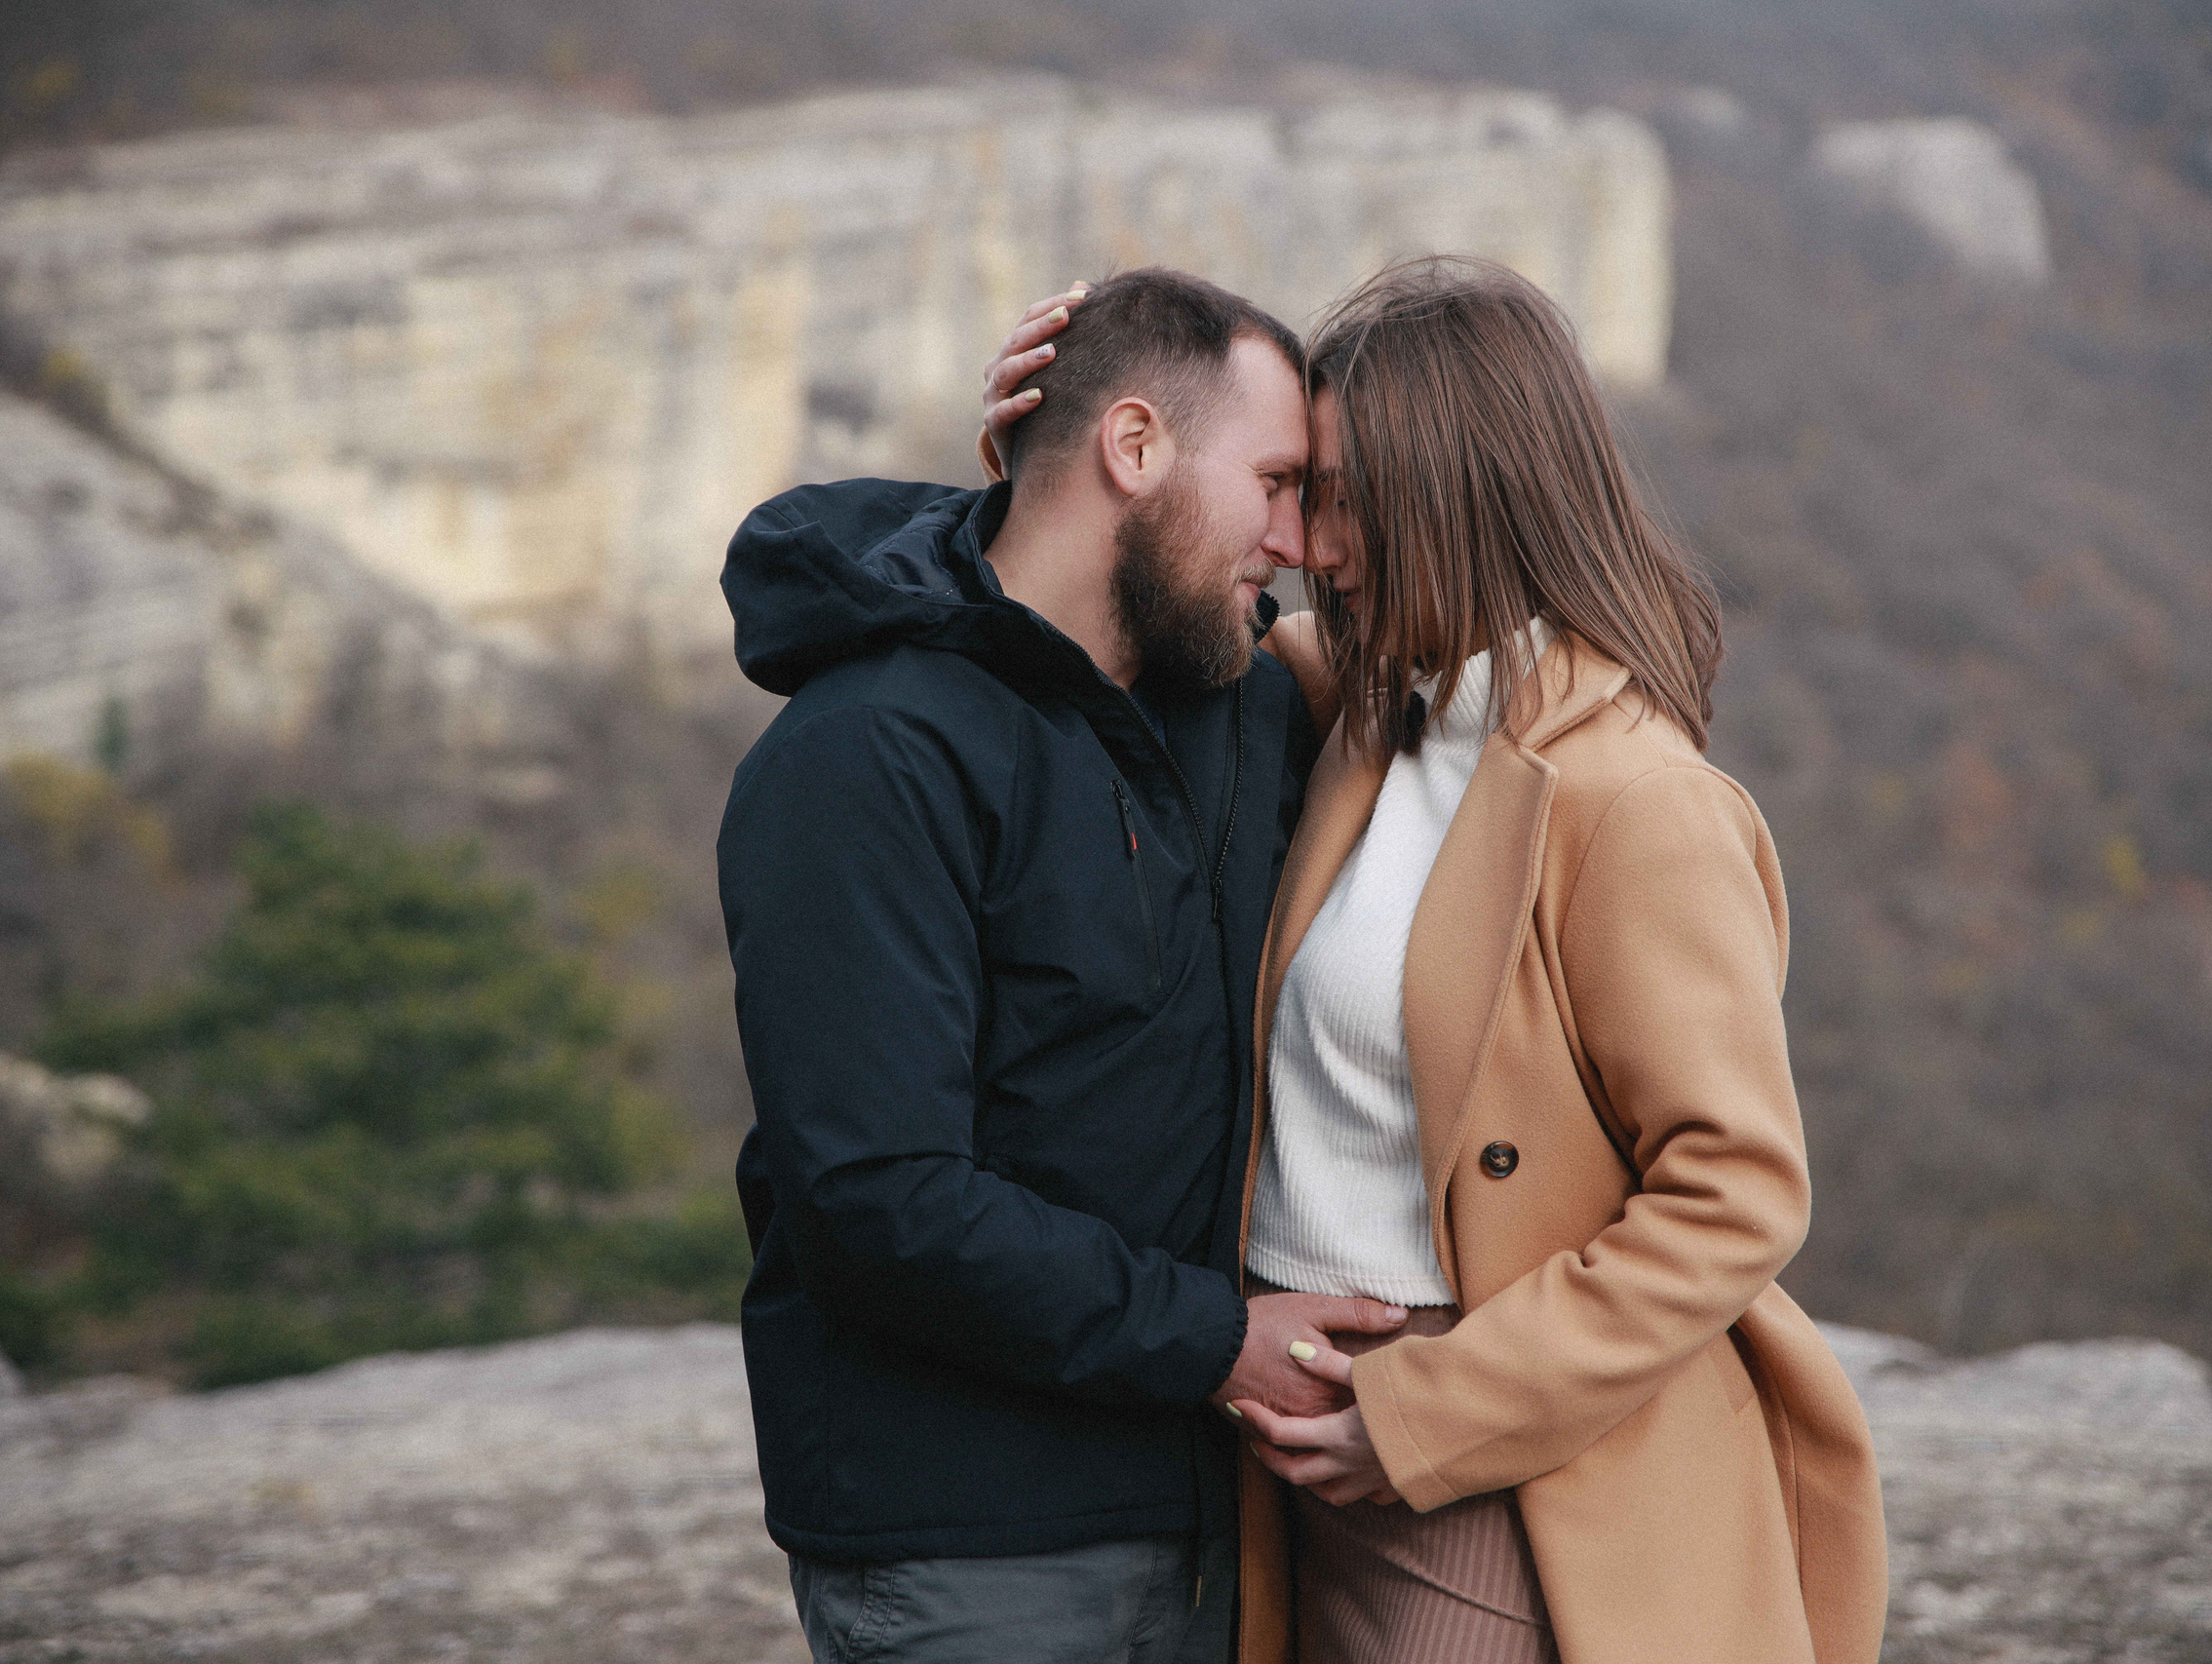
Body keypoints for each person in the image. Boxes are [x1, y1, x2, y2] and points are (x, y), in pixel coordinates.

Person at [983, 256, 1890, 1663]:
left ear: (1455, 497)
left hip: (1489, 1461)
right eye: (1299, 495)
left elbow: (1739, 1194)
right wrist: (1038, 477)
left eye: (1338, 501)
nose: (1307, 545)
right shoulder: (1355, 713)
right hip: (1295, 1448)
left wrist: (1428, 1410)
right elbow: (1104, 610)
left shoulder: (1634, 802)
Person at [715, 266, 1409, 1664]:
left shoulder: (1237, 699)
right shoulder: (867, 757)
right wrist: (1218, 1340)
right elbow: (880, 1198)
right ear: (1134, 446)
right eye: (1275, 482)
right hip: (973, 1544)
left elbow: (1466, 688)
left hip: (1219, 1516)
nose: (1296, 541)